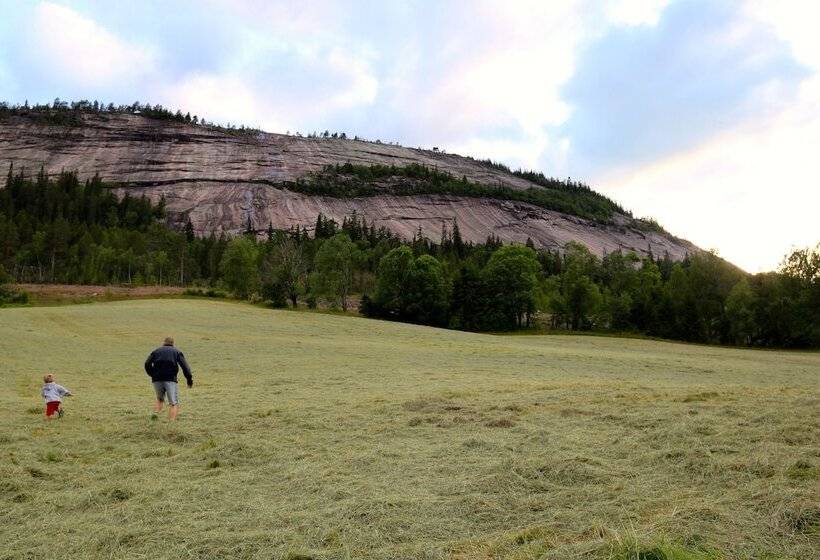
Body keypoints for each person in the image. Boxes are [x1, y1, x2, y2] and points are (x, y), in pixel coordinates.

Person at [144, 336, 193, 420]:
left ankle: (156, 413)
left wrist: (152, 374)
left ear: (164, 343)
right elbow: (185, 367)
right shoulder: (176, 352)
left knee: (160, 399)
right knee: (173, 403)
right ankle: (171, 422)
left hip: (156, 379)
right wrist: (189, 380)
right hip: (170, 379)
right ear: (172, 344)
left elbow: (147, 363)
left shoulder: (156, 351)